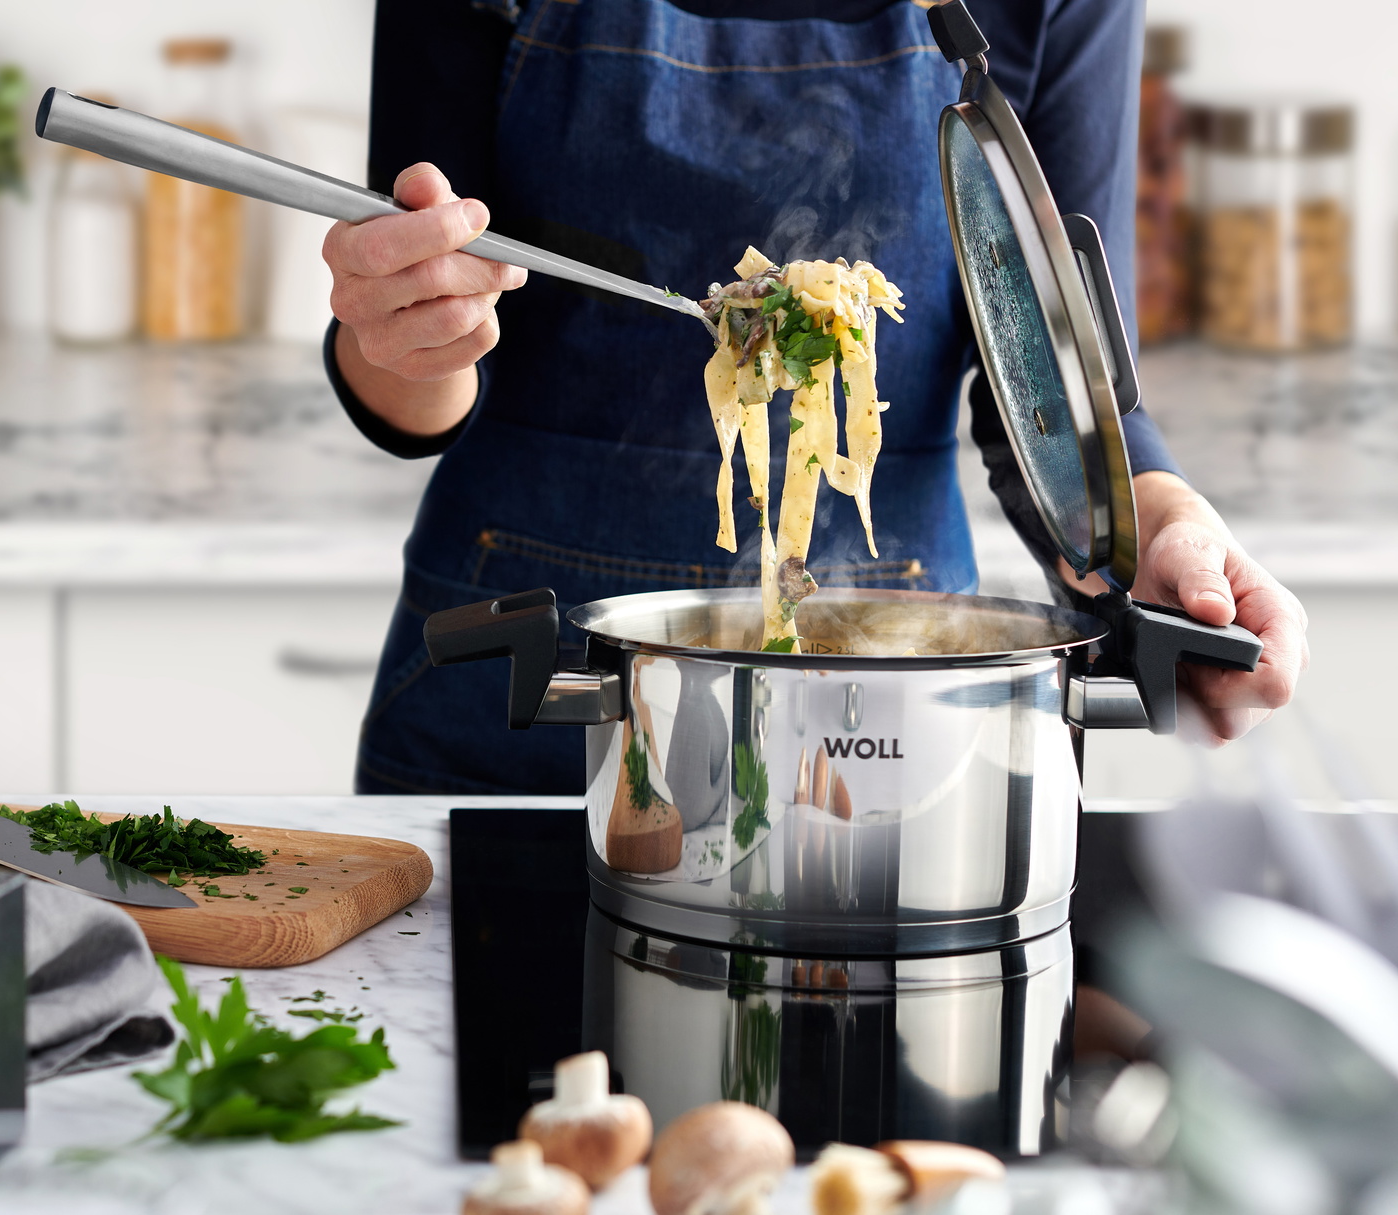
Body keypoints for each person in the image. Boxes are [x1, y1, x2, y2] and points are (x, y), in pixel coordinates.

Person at [322, 0, 1308, 796]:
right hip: (525, 677)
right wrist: (409, 328)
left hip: (899, 705)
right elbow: (412, 375)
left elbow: (1054, 389)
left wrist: (1159, 523)